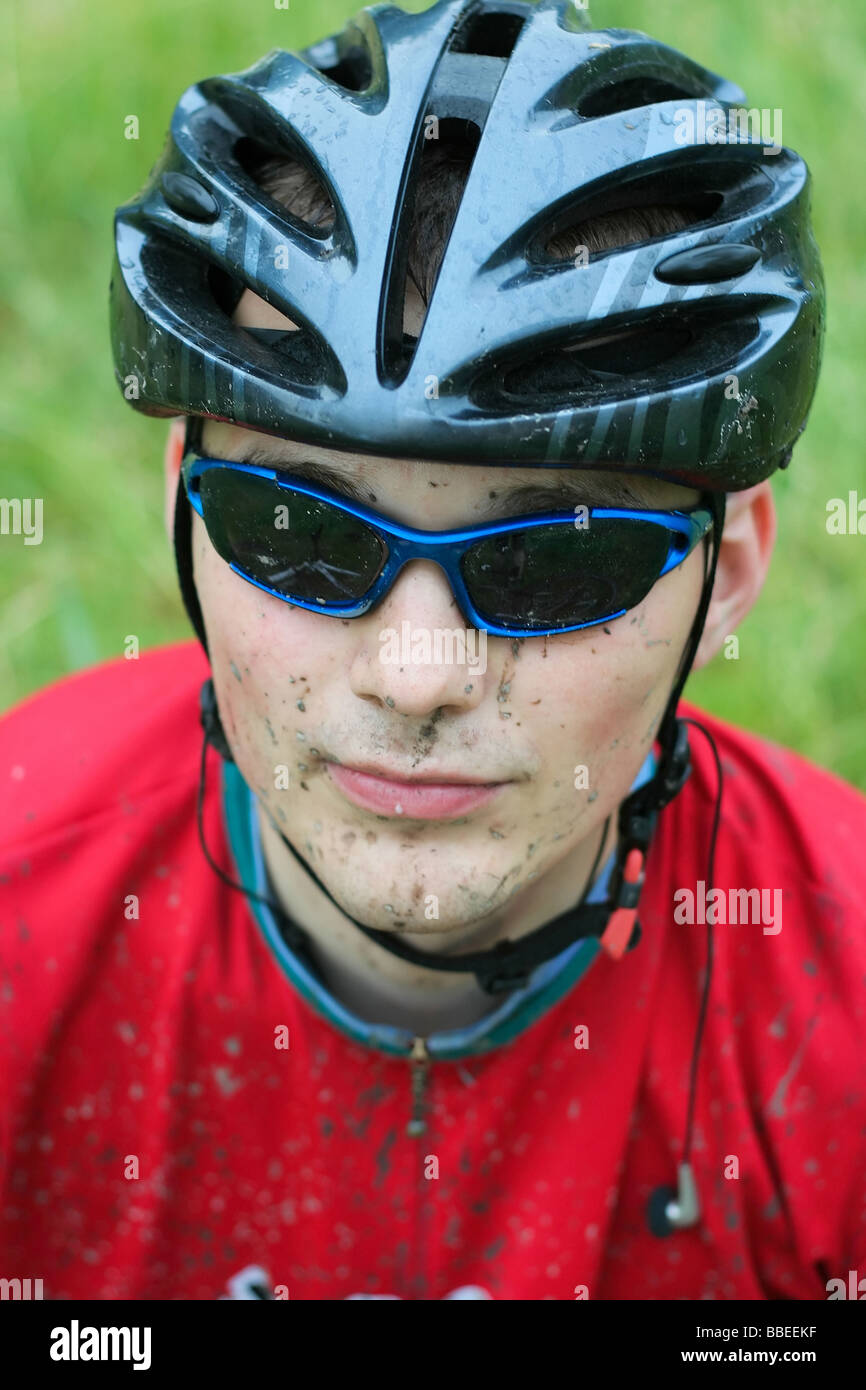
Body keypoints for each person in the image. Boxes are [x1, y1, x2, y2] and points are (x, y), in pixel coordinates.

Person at [2, 0, 864, 1302]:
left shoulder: (837, 1012)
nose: (415, 674)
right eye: (297, 532)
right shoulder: (21, 917)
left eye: (558, 553)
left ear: (727, 570)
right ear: (180, 502)